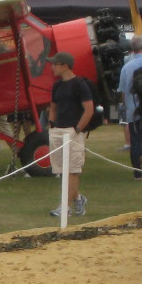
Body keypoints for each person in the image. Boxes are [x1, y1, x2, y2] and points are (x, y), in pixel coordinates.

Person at [46, 51, 93, 218]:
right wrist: (51, 125)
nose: (52, 67)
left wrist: (78, 129)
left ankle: (65, 206)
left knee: (72, 170)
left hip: (73, 131)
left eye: (55, 64)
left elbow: (89, 109)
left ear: (64, 66)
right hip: (58, 130)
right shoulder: (57, 85)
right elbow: (53, 107)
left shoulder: (80, 84)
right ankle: (78, 198)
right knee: (62, 170)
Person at [117, 34, 142, 179]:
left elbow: (123, 91)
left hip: (134, 110)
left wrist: (127, 108)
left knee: (136, 141)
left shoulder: (127, 67)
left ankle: (138, 173)